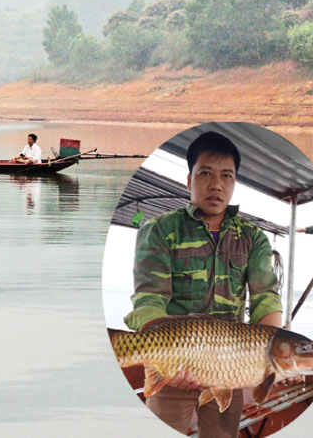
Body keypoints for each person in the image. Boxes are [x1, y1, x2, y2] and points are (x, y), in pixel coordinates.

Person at [124, 130, 284, 438]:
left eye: (227, 176)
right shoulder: (160, 230)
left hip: (231, 366)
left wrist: (273, 358)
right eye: (205, 173)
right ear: (189, 179)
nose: (216, 184)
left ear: (234, 183)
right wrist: (169, 363)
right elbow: (149, 299)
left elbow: (266, 297)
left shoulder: (253, 238)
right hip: (174, 365)